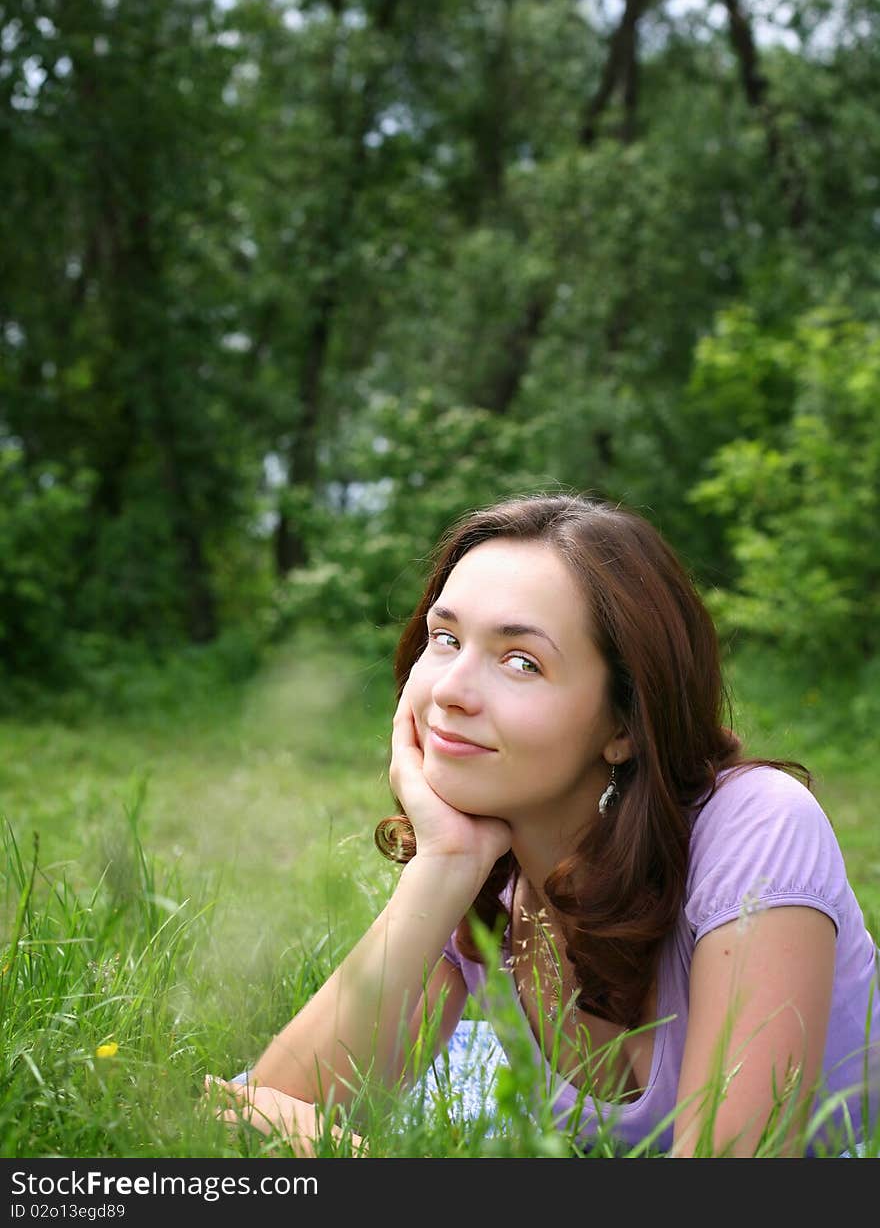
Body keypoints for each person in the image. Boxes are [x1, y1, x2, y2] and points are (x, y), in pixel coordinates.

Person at [206, 492, 880, 1157]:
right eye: (445, 639)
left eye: (520, 661)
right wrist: (442, 867)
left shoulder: (758, 829)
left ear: (623, 723)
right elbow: (254, 1118)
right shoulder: (487, 864)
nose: (449, 691)